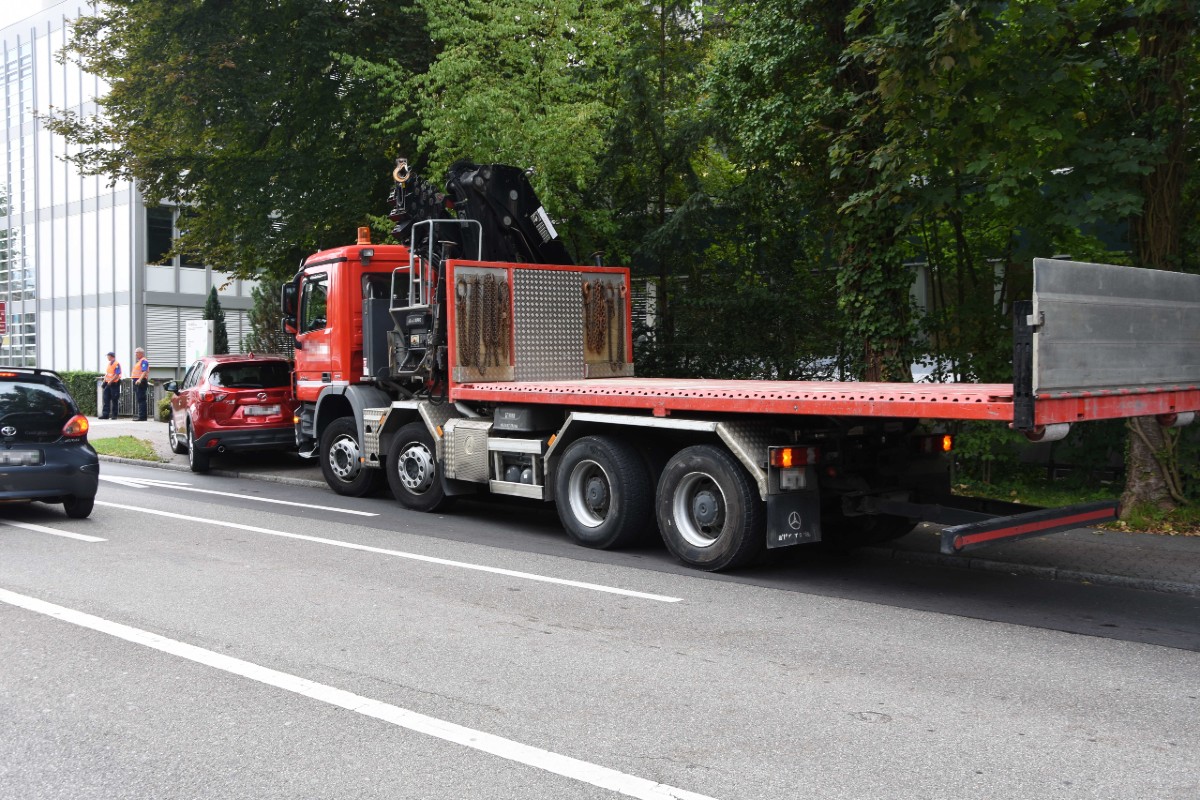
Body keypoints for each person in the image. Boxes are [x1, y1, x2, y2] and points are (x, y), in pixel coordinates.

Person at [130, 347, 150, 421]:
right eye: (135, 353)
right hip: (138, 382)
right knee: (139, 399)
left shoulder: (144, 361)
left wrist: (139, 379)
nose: (136, 354)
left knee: (141, 399)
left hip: (140, 382)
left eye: (137, 353)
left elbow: (144, 371)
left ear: (141, 353)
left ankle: (142, 416)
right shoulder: (139, 361)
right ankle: (141, 415)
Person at [100, 351, 122, 419]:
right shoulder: (109, 363)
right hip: (108, 383)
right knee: (106, 399)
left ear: (111, 356)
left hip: (114, 383)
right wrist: (104, 380)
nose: (107, 357)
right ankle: (105, 415)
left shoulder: (116, 363)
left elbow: (117, 374)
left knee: (114, 399)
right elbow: (107, 373)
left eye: (108, 356)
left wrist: (110, 382)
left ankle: (114, 415)